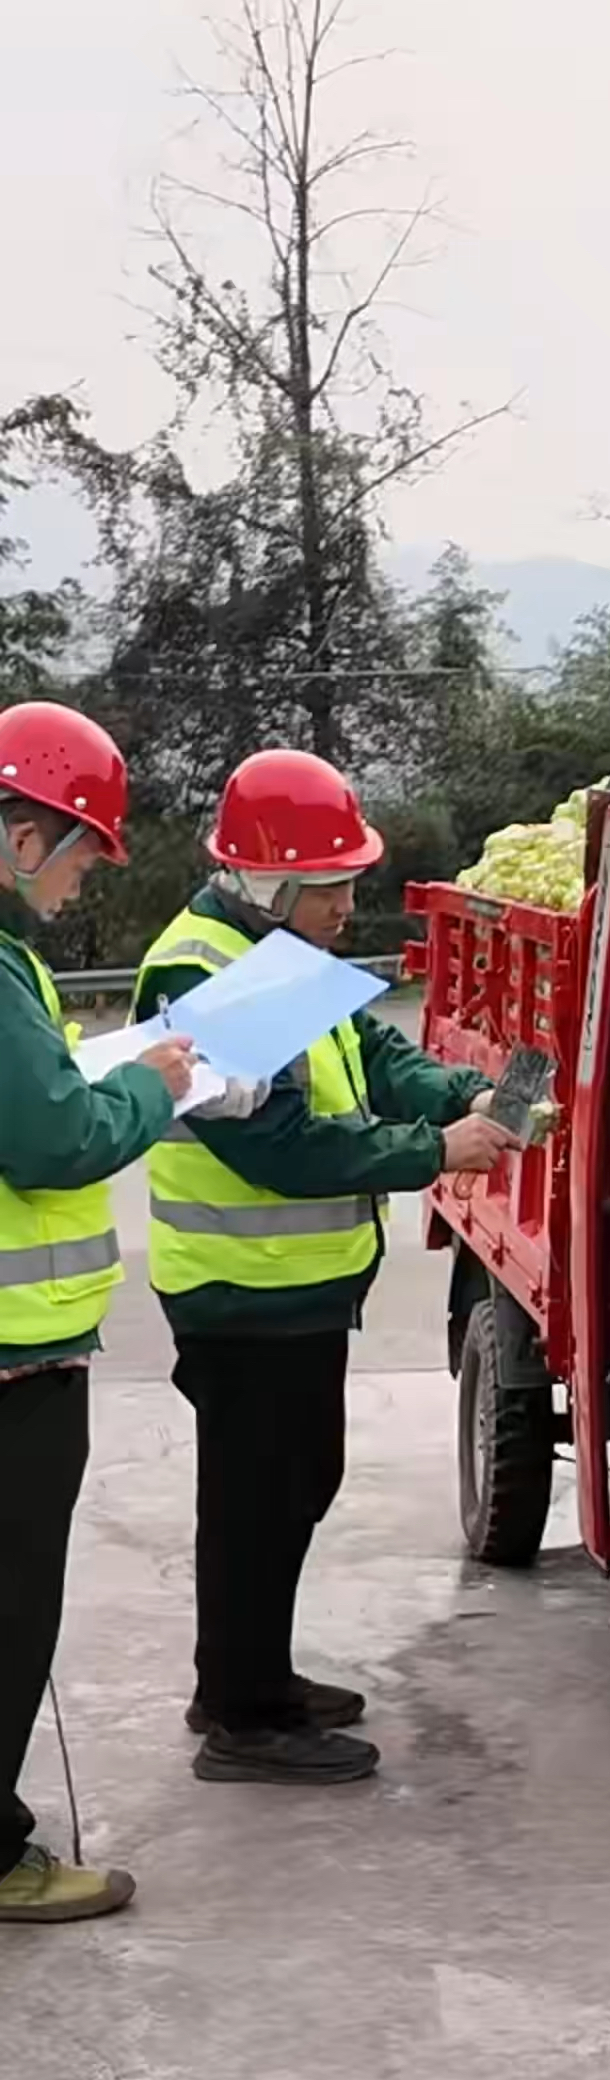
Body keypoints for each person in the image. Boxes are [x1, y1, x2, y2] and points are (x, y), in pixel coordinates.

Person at [133, 748, 514, 1785]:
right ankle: (246, 1720)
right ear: (268, 883)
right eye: (330, 885)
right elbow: (278, 1147)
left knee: (291, 1484)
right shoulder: (206, 971)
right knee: (258, 1500)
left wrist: (460, 1096)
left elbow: (372, 1056)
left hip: (292, 1292)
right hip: (242, 1293)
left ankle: (246, 1678)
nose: (349, 904)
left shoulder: (278, 951)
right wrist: (436, 1151)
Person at [0, 704, 196, 1923]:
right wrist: (150, 1087)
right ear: (24, 836)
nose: (82, 883)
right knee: (9, 1610)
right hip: (12, 1365)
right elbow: (54, 1140)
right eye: (82, 856)